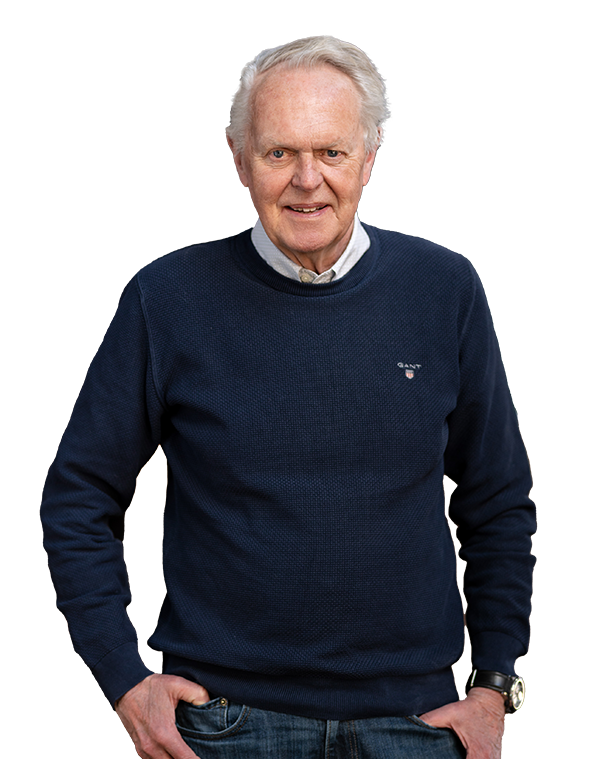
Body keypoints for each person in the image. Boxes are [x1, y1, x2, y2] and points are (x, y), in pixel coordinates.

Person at [41, 35, 536, 759]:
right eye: (279, 153)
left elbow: (498, 501)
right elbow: (77, 494)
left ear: (368, 156)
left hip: (414, 722)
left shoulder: (445, 289)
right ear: (240, 159)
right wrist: (123, 677)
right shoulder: (166, 298)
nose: (308, 180)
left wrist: (495, 683)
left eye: (331, 151)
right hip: (221, 725)